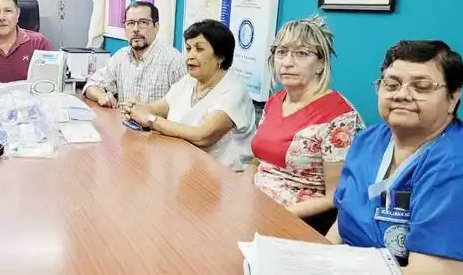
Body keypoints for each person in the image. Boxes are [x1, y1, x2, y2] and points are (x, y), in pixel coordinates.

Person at [327, 40, 463, 273]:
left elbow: (431, 270)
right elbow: (342, 223)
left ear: (453, 98)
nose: (402, 95)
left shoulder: (454, 163)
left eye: (421, 87)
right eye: (391, 84)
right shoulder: (366, 141)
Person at [245, 17, 363, 234]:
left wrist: (275, 215)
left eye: (301, 53)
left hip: (299, 219)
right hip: (255, 204)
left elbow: (334, 197)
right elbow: (257, 161)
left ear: (321, 63)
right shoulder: (275, 100)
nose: (287, 62)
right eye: (281, 52)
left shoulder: (340, 117)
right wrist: (241, 188)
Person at [120, 20, 256, 171]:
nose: (190, 56)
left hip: (224, 175)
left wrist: (151, 120)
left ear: (220, 56)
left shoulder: (233, 91)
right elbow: (161, 107)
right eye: (189, 49)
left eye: (199, 49)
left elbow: (203, 136)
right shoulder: (189, 81)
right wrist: (136, 108)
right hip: (184, 166)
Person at [84, 1, 186, 107]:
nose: (136, 29)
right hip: (121, 118)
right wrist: (102, 96)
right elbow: (91, 84)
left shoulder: (174, 61)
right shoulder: (121, 56)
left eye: (143, 22)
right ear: (125, 28)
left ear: (156, 27)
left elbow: (186, 108)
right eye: (130, 23)